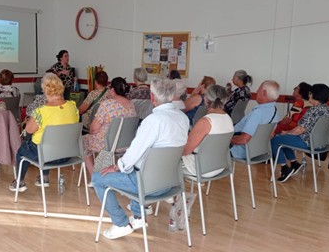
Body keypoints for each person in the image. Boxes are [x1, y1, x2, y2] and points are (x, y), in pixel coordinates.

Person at [92, 78, 189, 240]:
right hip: (171, 183)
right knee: (138, 167)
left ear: (152, 97)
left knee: (98, 178)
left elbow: (134, 153)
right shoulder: (182, 118)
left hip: (148, 185)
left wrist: (117, 166)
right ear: (173, 96)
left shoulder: (153, 121)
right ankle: (138, 218)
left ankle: (121, 223)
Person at [9, 73, 79, 192]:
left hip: (46, 156)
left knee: (23, 150)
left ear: (45, 91)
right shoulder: (73, 106)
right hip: (67, 154)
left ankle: (19, 182)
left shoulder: (41, 111)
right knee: (48, 142)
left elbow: (29, 130)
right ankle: (43, 178)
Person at [271, 84, 329, 182]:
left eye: (310, 93)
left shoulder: (313, 110)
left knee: (275, 140)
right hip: (321, 144)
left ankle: (285, 168)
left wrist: (286, 132)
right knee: (284, 139)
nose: (308, 96)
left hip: (308, 142)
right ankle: (294, 163)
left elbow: (300, 129)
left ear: (314, 95)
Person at [83, 77, 136, 173]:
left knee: (83, 141)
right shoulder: (132, 105)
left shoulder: (107, 104)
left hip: (107, 144)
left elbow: (93, 129)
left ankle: (95, 176)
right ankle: (103, 171)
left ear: (112, 90)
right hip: (127, 144)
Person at [182, 85, 234, 176]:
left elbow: (186, 150)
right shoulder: (228, 119)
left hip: (201, 168)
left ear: (205, 99)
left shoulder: (206, 122)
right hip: (219, 166)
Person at [230, 80, 281, 159]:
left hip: (240, 151)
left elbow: (243, 140)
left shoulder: (258, 113)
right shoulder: (274, 111)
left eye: (259, 89)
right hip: (258, 151)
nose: (256, 91)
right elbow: (271, 135)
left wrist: (226, 140)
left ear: (264, 93)